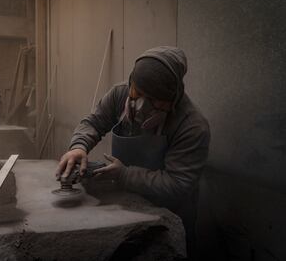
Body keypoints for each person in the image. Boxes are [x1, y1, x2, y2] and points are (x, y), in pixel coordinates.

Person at [56, 46, 210, 259]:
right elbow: (93, 122)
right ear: (131, 83)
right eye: (137, 93)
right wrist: (78, 147)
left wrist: (124, 175)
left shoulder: (192, 126)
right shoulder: (120, 94)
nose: (140, 106)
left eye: (155, 101)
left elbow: (178, 183)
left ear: (172, 99)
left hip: (168, 216)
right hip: (125, 206)